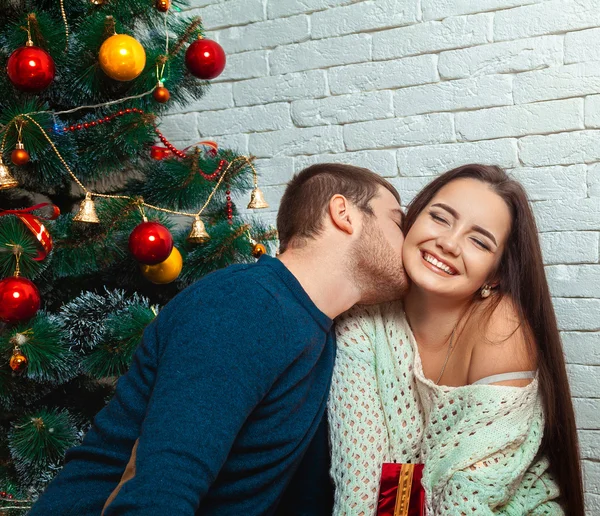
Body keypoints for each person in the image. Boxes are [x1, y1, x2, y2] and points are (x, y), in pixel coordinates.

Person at [28, 163, 408, 516]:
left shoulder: (319, 331)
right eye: (397, 222)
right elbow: (161, 489)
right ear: (344, 214)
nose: (407, 241)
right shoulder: (246, 304)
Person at [329, 164, 584, 515]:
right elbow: (359, 476)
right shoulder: (364, 316)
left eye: (478, 241)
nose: (448, 243)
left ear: (494, 274)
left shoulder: (500, 328)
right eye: (440, 218)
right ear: (413, 219)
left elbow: (467, 500)